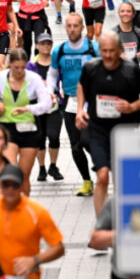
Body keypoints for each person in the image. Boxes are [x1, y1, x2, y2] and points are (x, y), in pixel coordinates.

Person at [76, 33, 140, 215]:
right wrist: (80, 109)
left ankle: (123, 217)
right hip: (98, 130)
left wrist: (132, 106)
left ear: (120, 50)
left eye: (112, 51)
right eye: (104, 51)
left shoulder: (130, 70)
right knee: (102, 176)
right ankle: (102, 224)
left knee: (122, 179)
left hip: (125, 130)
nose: (108, 55)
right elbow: (81, 86)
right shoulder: (91, 68)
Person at [0, 48, 54, 195]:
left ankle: (24, 209)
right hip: (7, 129)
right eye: (16, 67)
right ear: (10, 64)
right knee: (11, 173)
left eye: (23, 67)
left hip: (30, 130)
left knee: (23, 176)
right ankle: (9, 209)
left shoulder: (34, 79)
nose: (20, 71)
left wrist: (28, 108)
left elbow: (46, 103)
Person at [47, 13, 100, 197]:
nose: (72, 29)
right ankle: (87, 181)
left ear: (83, 27)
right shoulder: (59, 50)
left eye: (75, 25)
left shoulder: (94, 48)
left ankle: (101, 164)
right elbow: (53, 74)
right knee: (75, 144)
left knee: (87, 140)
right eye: (68, 25)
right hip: (70, 100)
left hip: (92, 101)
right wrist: (50, 91)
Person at [25, 33, 64, 184]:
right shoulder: (31, 65)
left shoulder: (57, 63)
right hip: (37, 105)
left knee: (54, 136)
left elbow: (63, 79)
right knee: (40, 138)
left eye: (48, 43)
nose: (46, 46)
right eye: (43, 43)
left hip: (55, 105)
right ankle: (41, 168)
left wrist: (61, 92)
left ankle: (53, 166)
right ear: (37, 46)